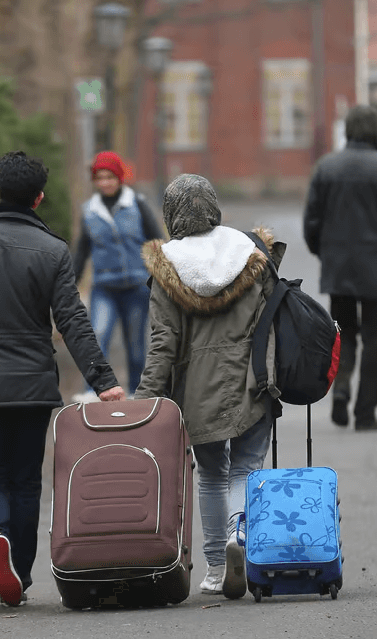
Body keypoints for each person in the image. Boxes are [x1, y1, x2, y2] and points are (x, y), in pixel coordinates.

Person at [0, 151, 125, 608]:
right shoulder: (53, 250)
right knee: (27, 480)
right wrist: (102, 379)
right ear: (38, 198)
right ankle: (23, 574)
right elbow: (72, 319)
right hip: (34, 384)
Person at [134, 174, 283, 601]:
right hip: (254, 381)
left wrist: (144, 404)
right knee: (247, 468)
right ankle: (242, 536)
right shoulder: (252, 254)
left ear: (172, 215)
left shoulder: (168, 268)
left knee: (213, 475)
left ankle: (218, 566)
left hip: (196, 393)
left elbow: (163, 346)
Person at [303, 104, 377, 431]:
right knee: (376, 340)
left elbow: (311, 222)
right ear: (376, 131)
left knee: (343, 334)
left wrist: (324, 253)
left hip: (339, 268)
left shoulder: (326, 168)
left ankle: (341, 388)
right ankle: (365, 412)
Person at [71, 151, 165, 396]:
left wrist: (162, 279)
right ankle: (93, 391)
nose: (105, 182)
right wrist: (69, 286)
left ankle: (136, 390)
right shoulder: (90, 210)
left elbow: (157, 241)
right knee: (98, 337)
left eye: (110, 176)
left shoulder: (137, 204)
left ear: (119, 178)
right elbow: (81, 251)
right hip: (104, 287)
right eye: (100, 177)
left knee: (135, 345)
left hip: (136, 286)